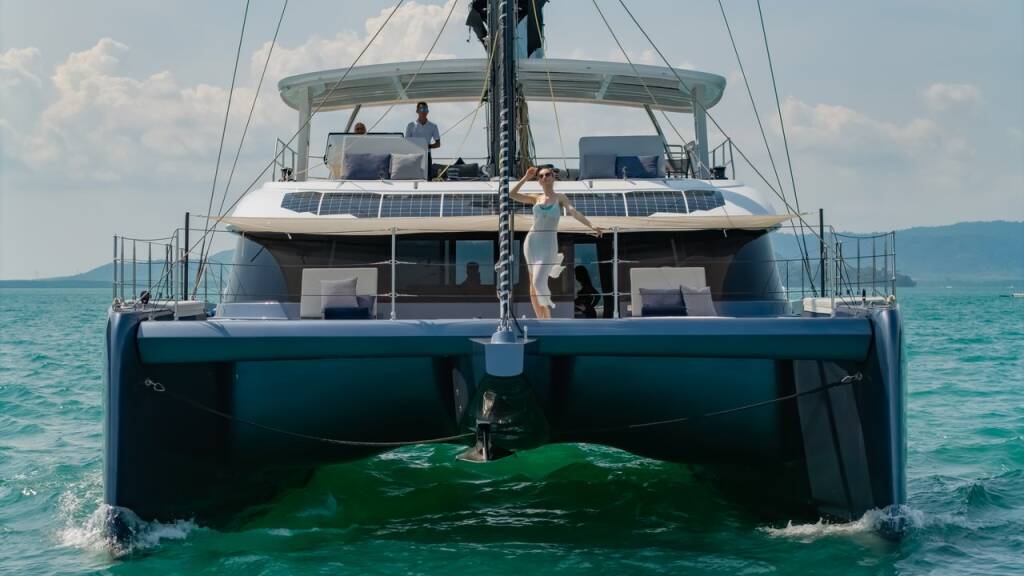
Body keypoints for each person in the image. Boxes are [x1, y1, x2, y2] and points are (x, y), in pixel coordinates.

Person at [510, 166, 603, 319]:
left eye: (547, 174)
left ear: (553, 177)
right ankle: (540, 319)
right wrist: (526, 178)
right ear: (539, 181)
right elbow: (512, 194)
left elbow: (574, 212)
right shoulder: (536, 198)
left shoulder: (560, 198)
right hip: (532, 242)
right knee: (532, 285)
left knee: (538, 282)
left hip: (548, 244)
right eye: (541, 176)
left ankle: (547, 320)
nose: (544, 177)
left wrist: (591, 226)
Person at [405, 102, 440, 177]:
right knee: (412, 178)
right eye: (421, 109)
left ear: (428, 111)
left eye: (425, 109)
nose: (424, 111)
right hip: (413, 156)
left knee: (427, 179)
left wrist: (427, 146)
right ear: (417, 111)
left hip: (427, 156)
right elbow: (406, 142)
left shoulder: (433, 126)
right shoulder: (410, 125)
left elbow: (438, 144)